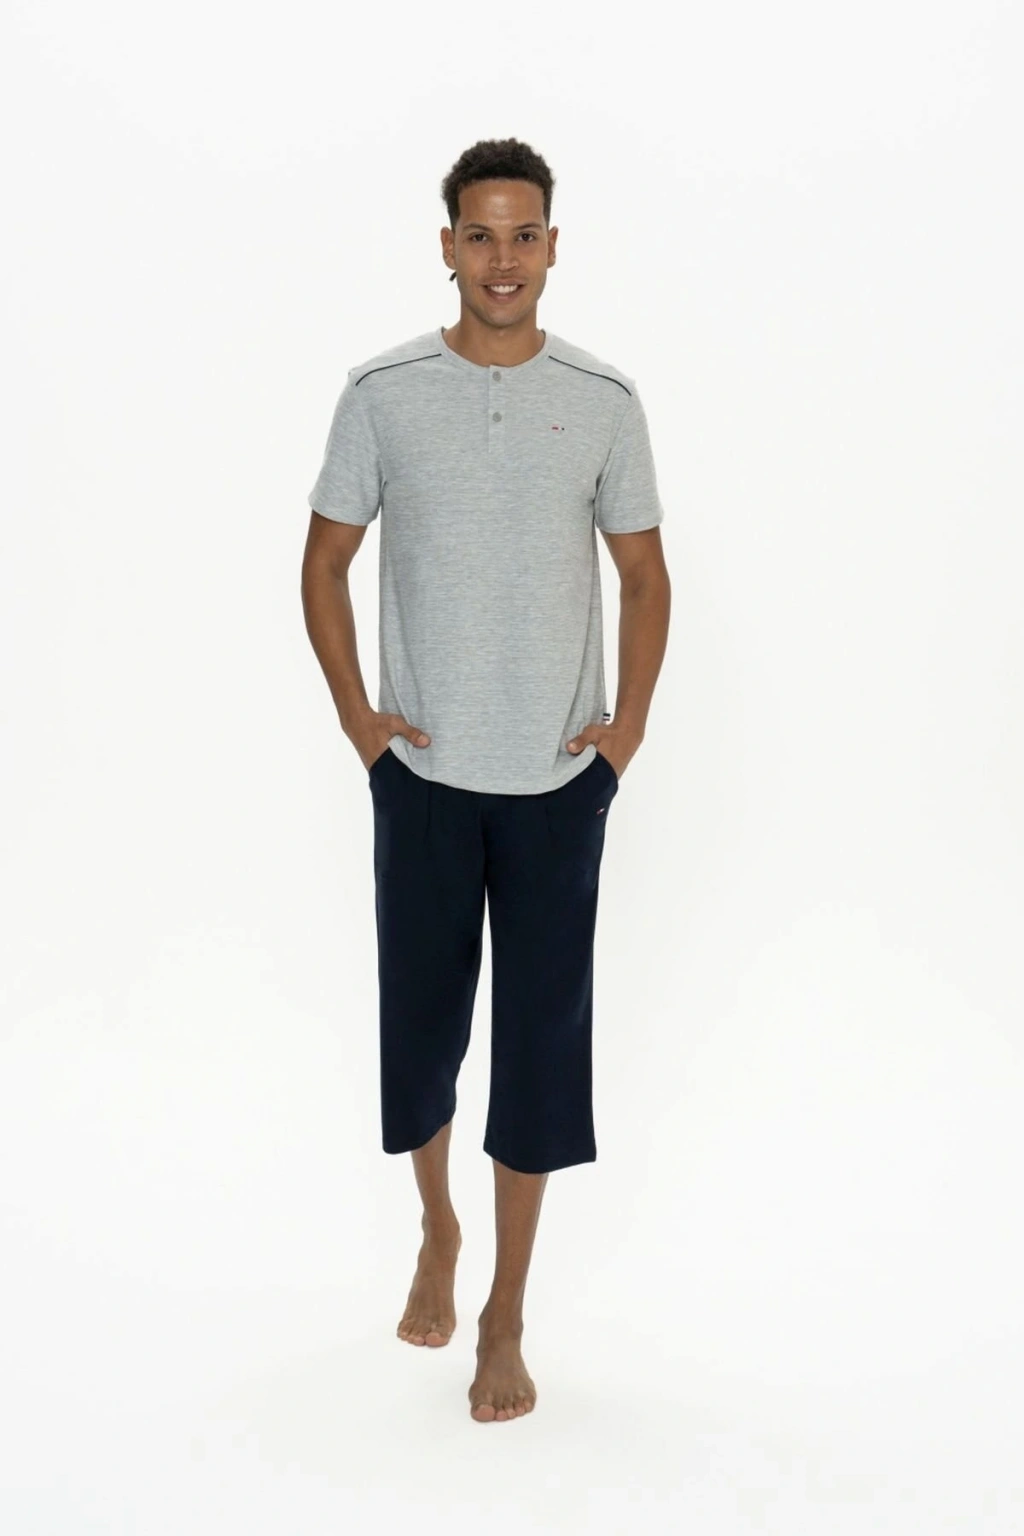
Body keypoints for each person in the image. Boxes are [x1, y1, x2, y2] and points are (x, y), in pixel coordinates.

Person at [301, 137, 670, 1423]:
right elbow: (323, 561)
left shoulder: (605, 399)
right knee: (420, 1030)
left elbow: (643, 576)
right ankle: (438, 1227)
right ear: (447, 245)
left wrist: (622, 737)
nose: (501, 259)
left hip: (559, 782)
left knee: (539, 1047)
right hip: (423, 773)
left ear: (552, 246)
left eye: (523, 235)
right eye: (479, 235)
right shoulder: (383, 392)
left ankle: (505, 1310)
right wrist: (363, 727)